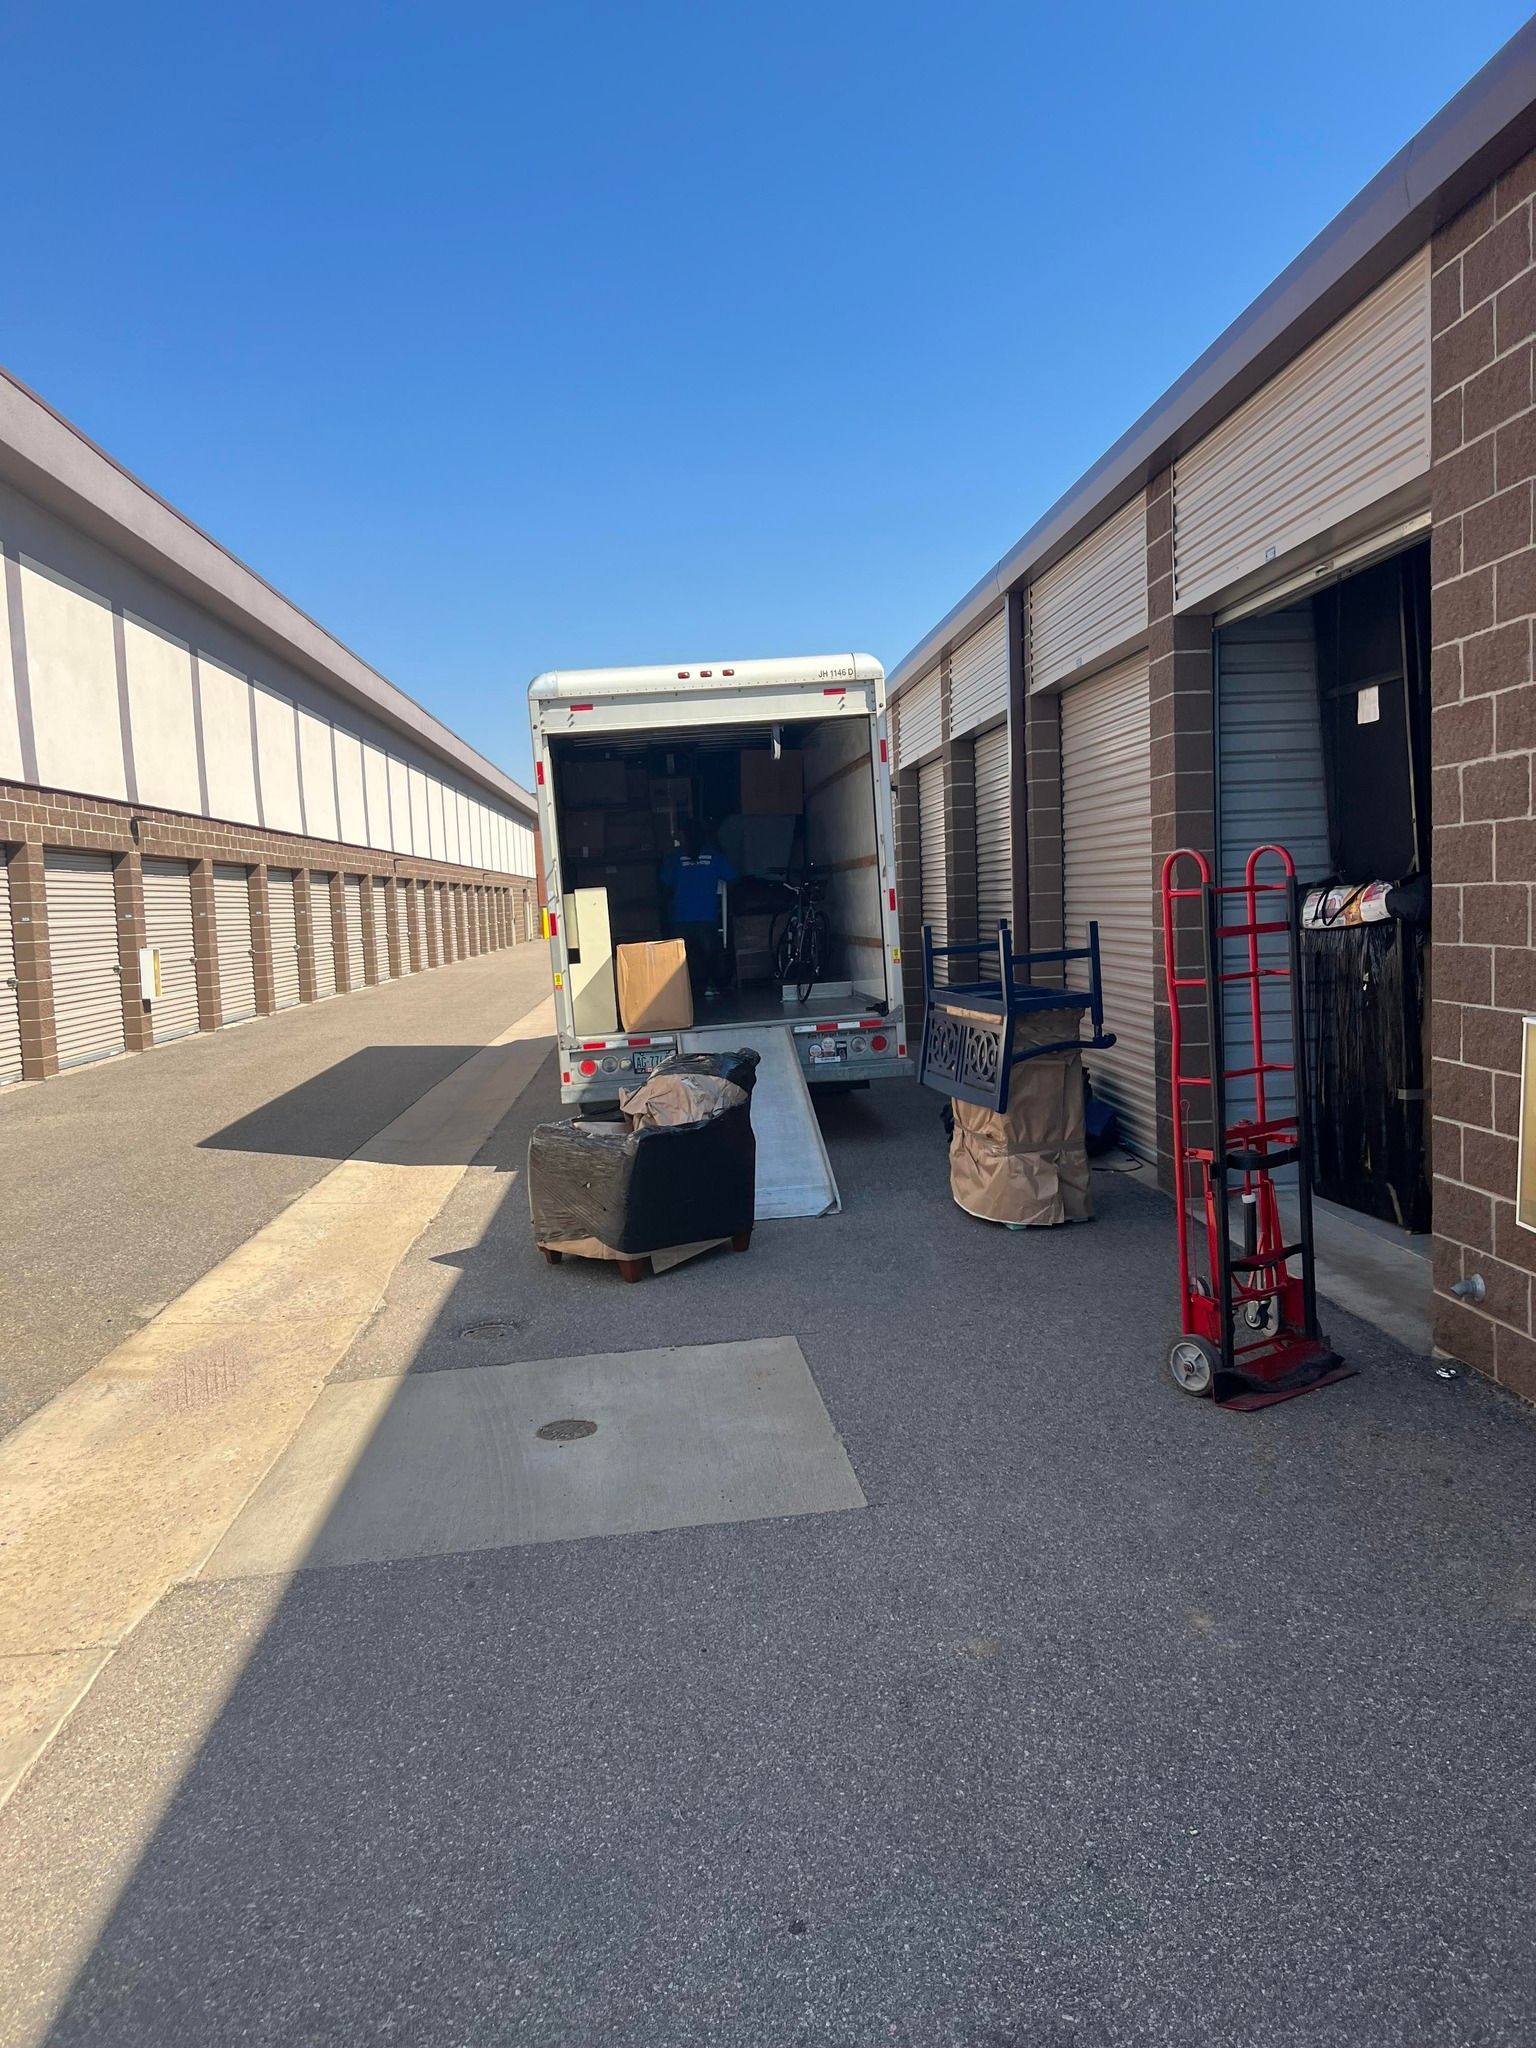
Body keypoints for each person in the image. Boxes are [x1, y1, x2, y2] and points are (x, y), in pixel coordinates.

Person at [660, 822, 736, 1003]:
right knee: (710, 954)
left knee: (682, 959)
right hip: (706, 917)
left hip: (681, 918)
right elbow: (733, 877)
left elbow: (664, 883)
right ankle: (713, 986)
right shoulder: (714, 857)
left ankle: (687, 991)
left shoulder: (675, 859)